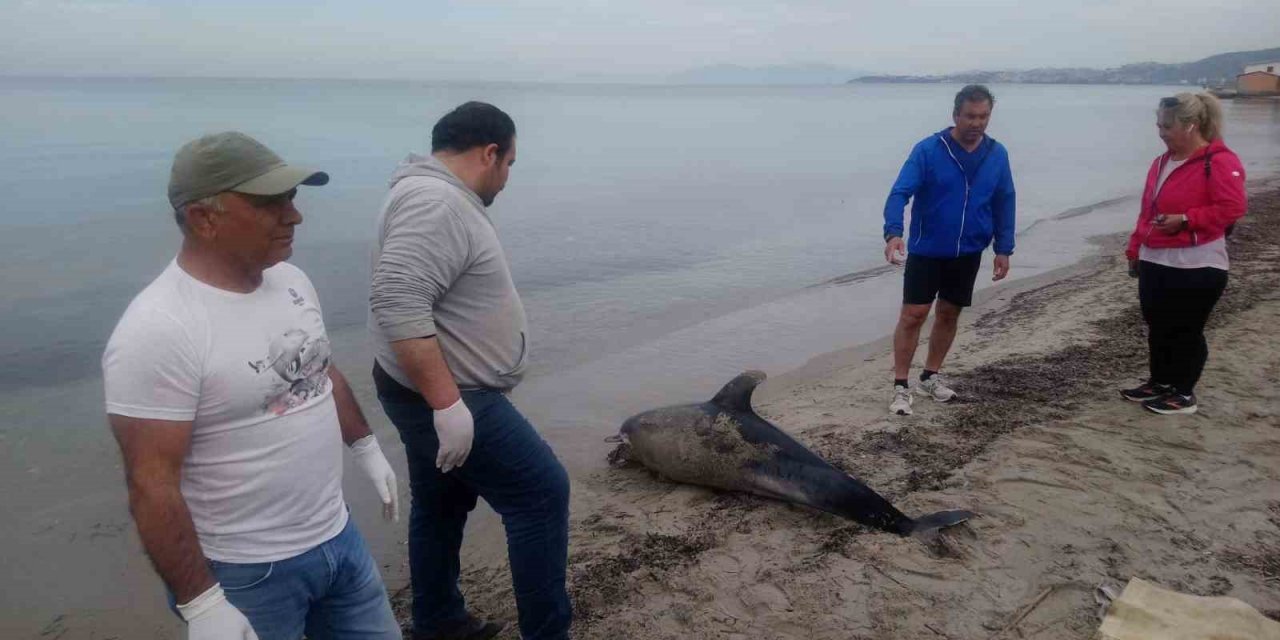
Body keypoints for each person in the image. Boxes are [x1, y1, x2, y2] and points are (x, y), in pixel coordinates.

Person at [103, 132, 402, 640]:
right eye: (270, 203)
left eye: (292, 198)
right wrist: (203, 604)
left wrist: (366, 446)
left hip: (338, 536)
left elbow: (319, 371)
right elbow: (150, 483)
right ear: (203, 218)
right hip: (246, 572)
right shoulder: (159, 328)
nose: (294, 215)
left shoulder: (291, 281)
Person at [369, 102, 571, 640]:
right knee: (541, 494)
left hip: (425, 388)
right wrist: (447, 404)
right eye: (509, 164)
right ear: (490, 153)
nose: (507, 178)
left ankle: (437, 624)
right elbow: (397, 299)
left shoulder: (426, 192)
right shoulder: (436, 202)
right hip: (450, 394)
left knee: (442, 501)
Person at [881, 84, 1017, 416]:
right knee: (913, 315)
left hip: (969, 250)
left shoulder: (996, 154)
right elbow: (900, 192)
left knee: (949, 314)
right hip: (928, 249)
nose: (977, 123)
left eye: (984, 116)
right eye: (970, 116)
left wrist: (1004, 248)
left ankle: (930, 376)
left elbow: (1005, 201)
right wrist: (893, 233)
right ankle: (901, 386)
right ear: (955, 115)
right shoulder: (929, 150)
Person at [1120, 93, 1246, 415]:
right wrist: (1135, 248)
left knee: (1185, 327)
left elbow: (1233, 207)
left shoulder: (1219, 161)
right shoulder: (1161, 162)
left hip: (1199, 262)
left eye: (1168, 126)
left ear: (1190, 126)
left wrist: (1187, 219)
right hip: (1155, 257)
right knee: (1157, 322)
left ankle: (1184, 392)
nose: (1161, 132)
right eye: (1158, 125)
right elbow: (1146, 211)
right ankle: (1160, 381)